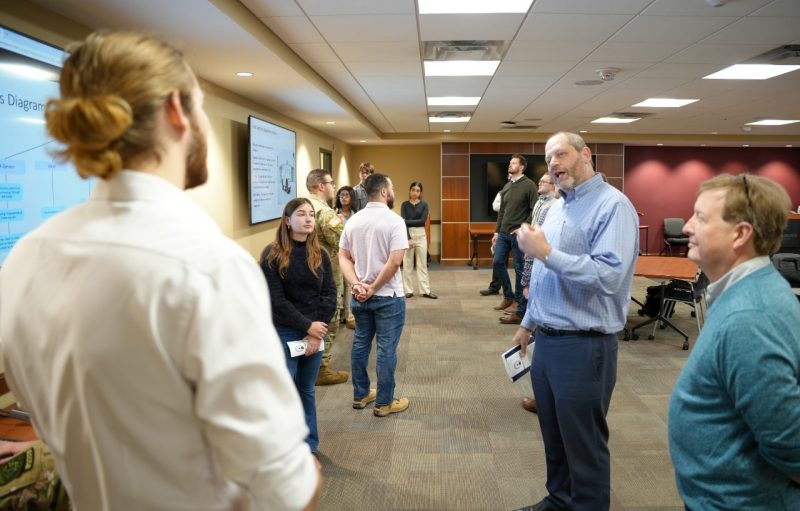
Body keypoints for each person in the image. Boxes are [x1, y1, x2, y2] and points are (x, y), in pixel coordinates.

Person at [0, 31, 320, 510]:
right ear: (177, 110)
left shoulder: (25, 259)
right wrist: (309, 471)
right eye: (202, 106)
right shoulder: (209, 267)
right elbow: (285, 490)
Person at [511, 132, 638, 511]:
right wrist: (528, 322)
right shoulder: (558, 206)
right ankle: (559, 499)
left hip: (584, 345)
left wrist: (546, 252)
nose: (553, 163)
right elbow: (546, 277)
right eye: (549, 157)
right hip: (547, 341)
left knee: (584, 444)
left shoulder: (613, 206)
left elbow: (610, 277)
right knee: (555, 436)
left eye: (561, 154)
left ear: (585, 154)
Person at [668, 174, 800, 510]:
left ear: (740, 234)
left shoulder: (751, 316)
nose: (685, 227)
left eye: (700, 217)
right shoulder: (745, 293)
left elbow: (789, 442)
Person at [260, 198, 337, 456]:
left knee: (306, 390)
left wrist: (316, 331)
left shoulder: (320, 255)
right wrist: (307, 327)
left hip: (315, 331)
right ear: (287, 220)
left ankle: (309, 445)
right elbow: (276, 302)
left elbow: (329, 296)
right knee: (283, 392)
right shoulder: (272, 255)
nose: (308, 219)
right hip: (285, 332)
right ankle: (282, 448)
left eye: (312, 215)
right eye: (302, 214)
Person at [339, 173, 410, 417]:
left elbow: (343, 256)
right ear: (383, 192)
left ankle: (360, 395)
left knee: (360, 344)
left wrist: (357, 284)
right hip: (387, 297)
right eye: (391, 188)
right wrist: (373, 288)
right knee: (386, 349)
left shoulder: (354, 220)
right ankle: (383, 402)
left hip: (359, 297)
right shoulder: (395, 221)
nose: (392, 191)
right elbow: (394, 262)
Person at [518, 173, 559, 414]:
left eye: (544, 182)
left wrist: (527, 280)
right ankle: (543, 397)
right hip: (543, 291)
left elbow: (538, 251)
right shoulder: (545, 206)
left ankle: (544, 398)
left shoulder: (551, 209)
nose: (540, 185)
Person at [306, 168, 349, 386]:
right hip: (327, 275)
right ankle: (321, 368)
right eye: (331, 183)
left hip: (308, 274)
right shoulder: (325, 212)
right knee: (329, 319)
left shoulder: (302, 207)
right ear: (321, 186)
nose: (334, 186)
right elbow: (343, 240)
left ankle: (310, 366)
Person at [493, 155, 538, 324]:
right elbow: (501, 212)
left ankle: (519, 305)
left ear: (522, 167)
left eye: (513, 163)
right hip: (504, 233)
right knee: (498, 262)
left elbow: (535, 209)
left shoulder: (529, 185)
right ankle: (508, 297)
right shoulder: (507, 186)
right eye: (510, 163)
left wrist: (524, 226)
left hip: (518, 233)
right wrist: (497, 232)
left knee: (520, 269)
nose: (509, 165)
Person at [401, 181, 437, 299]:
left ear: (420, 192)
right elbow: (403, 224)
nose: (415, 193)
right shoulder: (404, 205)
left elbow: (422, 221)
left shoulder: (424, 205)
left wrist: (406, 221)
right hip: (408, 235)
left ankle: (425, 290)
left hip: (421, 235)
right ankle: (408, 290)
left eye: (417, 191)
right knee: (407, 264)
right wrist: (408, 239)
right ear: (410, 191)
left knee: (422, 264)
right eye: (413, 190)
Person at [335, 185, 358, 329]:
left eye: (346, 195)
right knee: (338, 287)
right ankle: (337, 317)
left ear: (351, 198)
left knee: (349, 284)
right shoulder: (333, 214)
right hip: (336, 254)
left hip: (351, 254)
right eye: (341, 195)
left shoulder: (356, 215)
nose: (343, 197)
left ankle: (349, 317)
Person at [479, 187, 507, 296]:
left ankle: (520, 294)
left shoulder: (526, 189)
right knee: (498, 260)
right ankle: (494, 287)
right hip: (502, 230)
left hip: (519, 229)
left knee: (520, 265)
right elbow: (495, 206)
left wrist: (506, 206)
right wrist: (496, 233)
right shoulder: (503, 192)